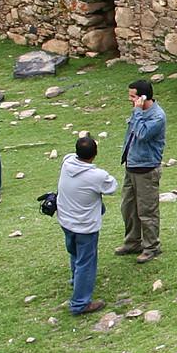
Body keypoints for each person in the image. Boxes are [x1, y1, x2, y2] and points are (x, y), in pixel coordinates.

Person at [56, 134, 118, 315]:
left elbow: (71, 155)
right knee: (86, 262)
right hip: (85, 226)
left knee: (74, 252)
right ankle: (80, 303)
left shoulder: (67, 163)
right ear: (95, 154)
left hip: (65, 220)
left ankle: (76, 280)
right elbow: (112, 186)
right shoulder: (97, 176)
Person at [116, 78, 167, 263]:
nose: (130, 100)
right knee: (128, 208)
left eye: (133, 96)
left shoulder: (157, 116)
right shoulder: (138, 112)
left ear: (143, 97)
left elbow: (142, 134)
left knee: (147, 211)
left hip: (146, 169)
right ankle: (132, 242)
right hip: (132, 166)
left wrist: (137, 112)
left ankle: (151, 247)